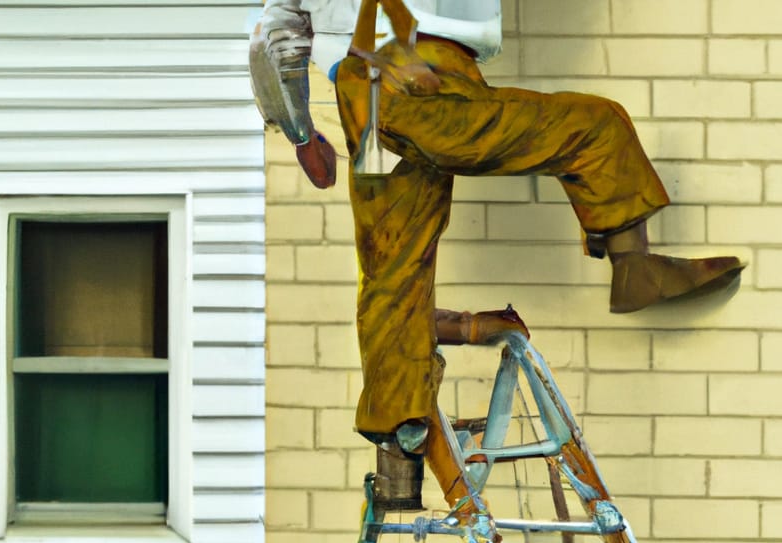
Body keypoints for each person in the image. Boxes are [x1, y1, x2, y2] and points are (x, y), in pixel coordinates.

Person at [251, 0, 744, 466]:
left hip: (364, 94)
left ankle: (400, 438)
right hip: (418, 73)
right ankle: (632, 265)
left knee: (393, 267)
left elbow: (277, 31)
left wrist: (299, 132)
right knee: (596, 125)